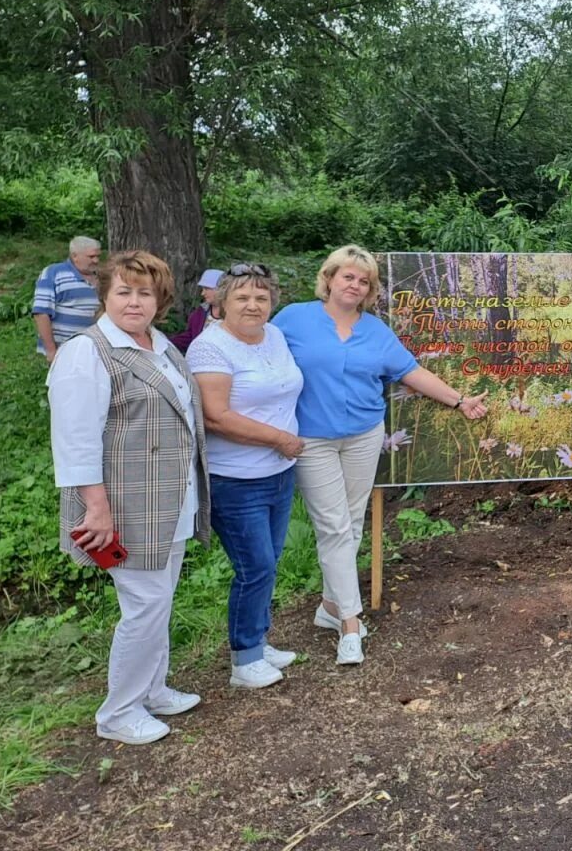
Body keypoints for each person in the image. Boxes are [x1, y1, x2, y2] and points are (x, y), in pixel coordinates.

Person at [272, 245, 488, 666]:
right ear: (329, 278)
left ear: (370, 290)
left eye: (364, 281)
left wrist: (459, 400)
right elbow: (259, 358)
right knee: (333, 526)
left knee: (350, 523)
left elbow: (411, 371)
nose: (354, 285)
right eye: (347, 276)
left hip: (364, 436)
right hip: (311, 440)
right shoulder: (292, 319)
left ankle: (331, 607)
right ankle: (351, 624)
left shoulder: (375, 330)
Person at [47, 250, 210, 745]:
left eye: (145, 292)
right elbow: (75, 439)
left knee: (158, 601)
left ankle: (152, 689)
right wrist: (96, 507)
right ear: (105, 295)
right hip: (122, 505)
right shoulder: (86, 352)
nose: (135, 301)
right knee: (144, 604)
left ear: (160, 300)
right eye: (124, 291)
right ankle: (118, 712)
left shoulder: (160, 346)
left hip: (170, 500)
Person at [187, 264, 304, 690]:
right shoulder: (209, 348)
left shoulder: (274, 336)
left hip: (279, 473)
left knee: (269, 562)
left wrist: (284, 449)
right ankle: (244, 658)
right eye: (242, 297)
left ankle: (258, 638)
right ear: (220, 302)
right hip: (234, 479)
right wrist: (280, 439)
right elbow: (216, 417)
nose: (253, 305)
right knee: (254, 566)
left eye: (261, 297)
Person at [33, 236, 101, 361]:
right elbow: (41, 313)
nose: (96, 260)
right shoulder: (54, 273)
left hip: (94, 350)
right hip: (63, 350)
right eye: (91, 257)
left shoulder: (102, 277)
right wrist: (51, 350)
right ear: (75, 256)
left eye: (98, 256)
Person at [171, 268, 224, 352]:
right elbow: (189, 337)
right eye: (203, 289)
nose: (202, 293)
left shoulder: (235, 314)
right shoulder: (200, 313)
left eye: (206, 289)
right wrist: (167, 343)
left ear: (220, 289)